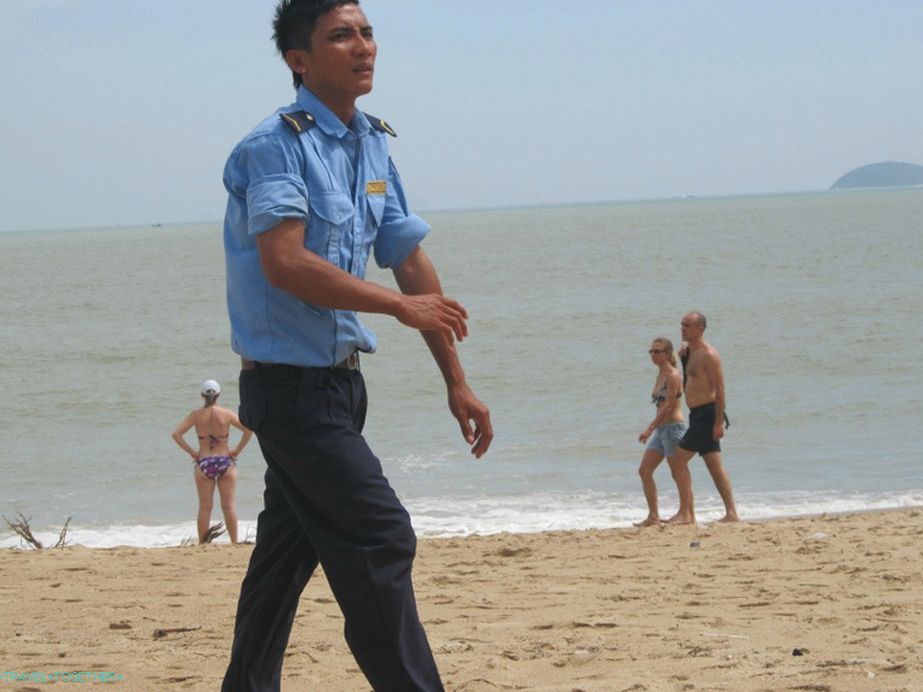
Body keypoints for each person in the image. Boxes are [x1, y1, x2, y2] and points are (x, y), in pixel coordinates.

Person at [220, 1, 493, 690]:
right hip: (287, 389)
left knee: (285, 554)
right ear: (299, 60)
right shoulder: (273, 145)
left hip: (341, 385)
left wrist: (454, 380)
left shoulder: (372, 142)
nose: (362, 46)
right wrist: (399, 307)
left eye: (367, 33)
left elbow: (406, 256)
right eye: (341, 35)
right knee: (381, 537)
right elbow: (285, 262)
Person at [666, 312, 739, 524]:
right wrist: (684, 359)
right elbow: (691, 381)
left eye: (687, 326)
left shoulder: (709, 355)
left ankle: (686, 513)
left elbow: (720, 390)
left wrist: (718, 423)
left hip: (707, 415)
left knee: (678, 459)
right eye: (682, 325)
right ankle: (731, 513)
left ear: (700, 329)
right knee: (714, 465)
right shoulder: (690, 353)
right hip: (696, 414)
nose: (683, 329)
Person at [171, 379, 253, 544]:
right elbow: (248, 430)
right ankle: (234, 542)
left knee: (205, 507)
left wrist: (192, 453)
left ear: (202, 395)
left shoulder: (196, 415)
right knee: (228, 506)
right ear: (218, 395)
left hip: (204, 463)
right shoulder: (226, 414)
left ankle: (203, 543)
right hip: (225, 462)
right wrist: (237, 450)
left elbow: (176, 434)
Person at [634, 338, 687, 527]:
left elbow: (669, 405)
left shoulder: (673, 375)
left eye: (657, 352)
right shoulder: (660, 374)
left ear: (666, 354)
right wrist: (655, 428)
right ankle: (653, 516)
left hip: (673, 428)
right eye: (651, 351)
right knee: (645, 470)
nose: (653, 355)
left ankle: (686, 514)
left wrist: (649, 429)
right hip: (661, 429)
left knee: (678, 471)